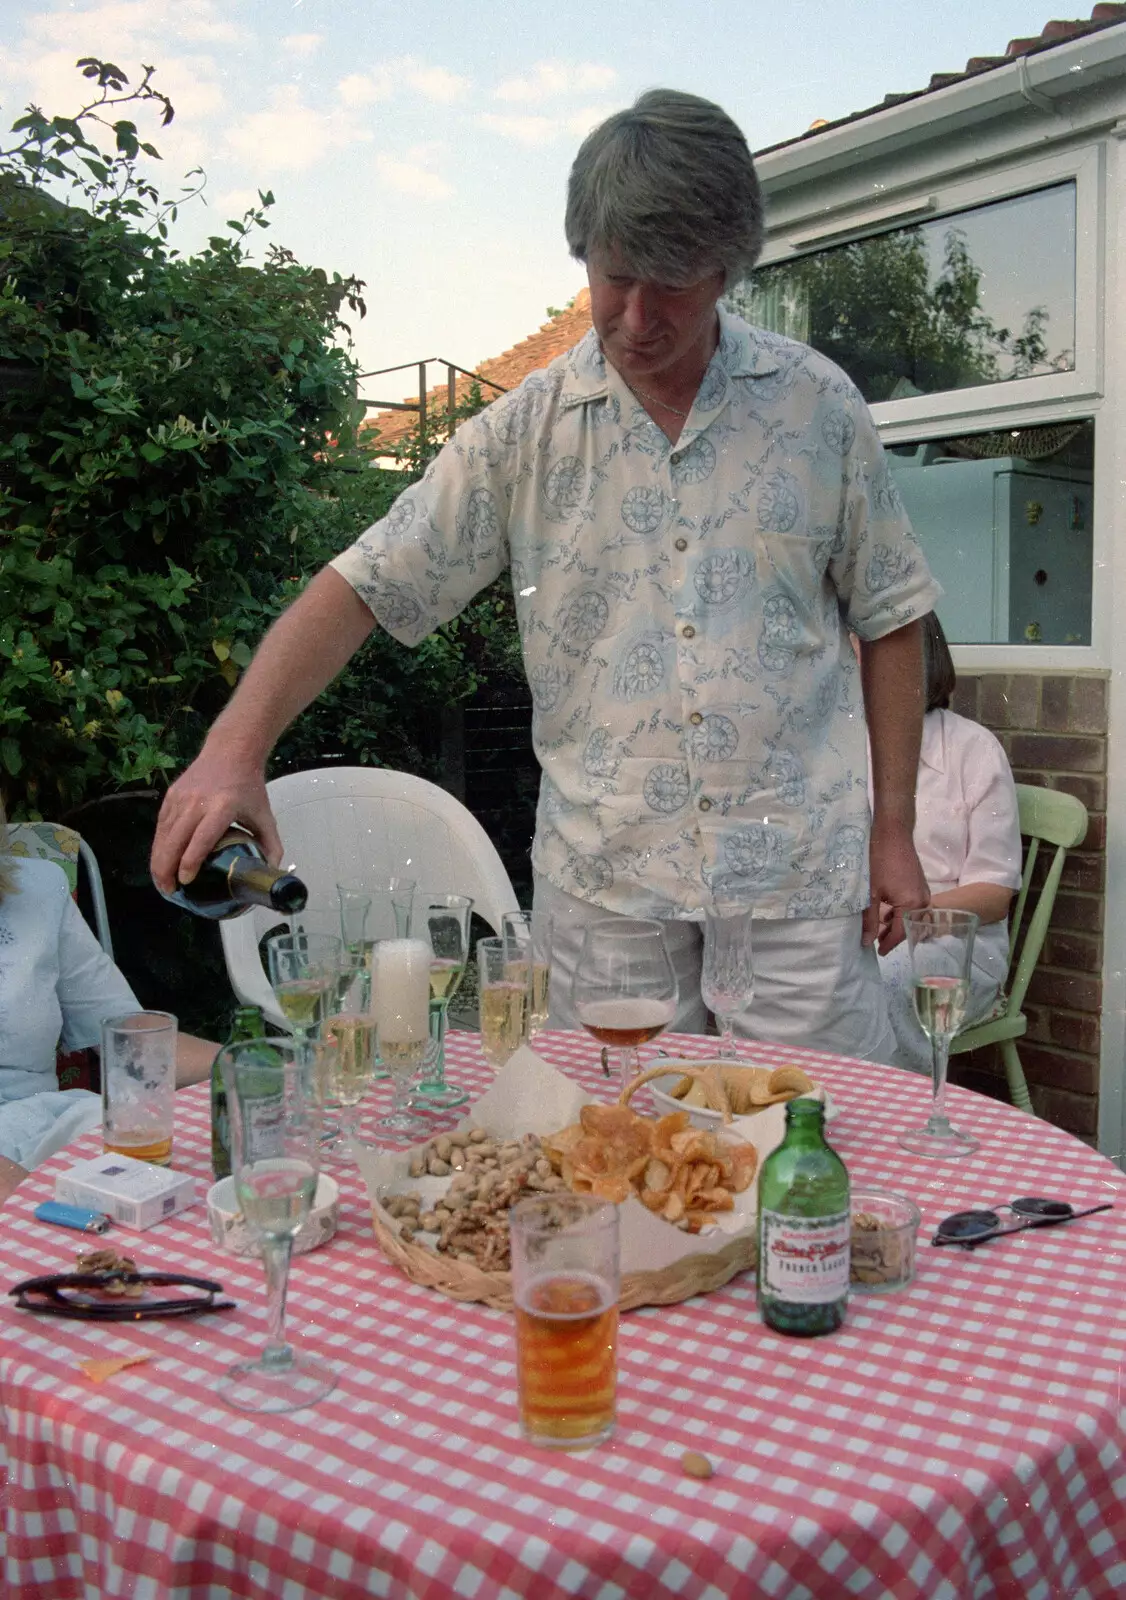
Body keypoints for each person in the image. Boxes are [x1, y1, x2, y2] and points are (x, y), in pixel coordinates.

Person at [152, 89, 941, 1063]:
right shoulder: (523, 434)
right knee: (614, 1174)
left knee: (814, 1160)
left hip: (796, 896)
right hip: (608, 911)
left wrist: (894, 827)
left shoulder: (819, 410)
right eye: (614, 279)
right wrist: (236, 747)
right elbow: (362, 583)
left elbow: (893, 613)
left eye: (673, 285)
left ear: (729, 268)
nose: (637, 317)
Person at [0, 808, 216, 1202]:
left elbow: (128, 1036)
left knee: (193, 1173)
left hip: (48, 1129)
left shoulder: (38, 888)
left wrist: (248, 1066)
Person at [877, 613, 1022, 1072]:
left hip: (957, 943)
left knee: (877, 982)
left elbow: (995, 894)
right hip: (867, 930)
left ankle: (895, 1115)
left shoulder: (974, 751)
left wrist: (910, 913)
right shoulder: (849, 750)